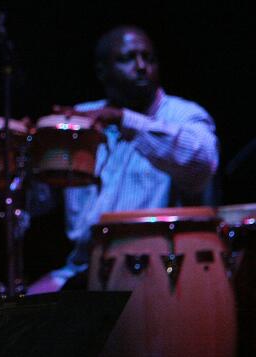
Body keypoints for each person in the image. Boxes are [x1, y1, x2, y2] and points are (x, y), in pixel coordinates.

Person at [28, 25, 219, 292]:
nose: (141, 66)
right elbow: (37, 203)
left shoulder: (184, 116)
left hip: (155, 271)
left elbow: (203, 162)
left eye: (148, 58)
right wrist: (28, 159)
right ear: (102, 71)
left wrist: (124, 120)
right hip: (82, 269)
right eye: (127, 58)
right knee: (22, 317)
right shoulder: (81, 121)